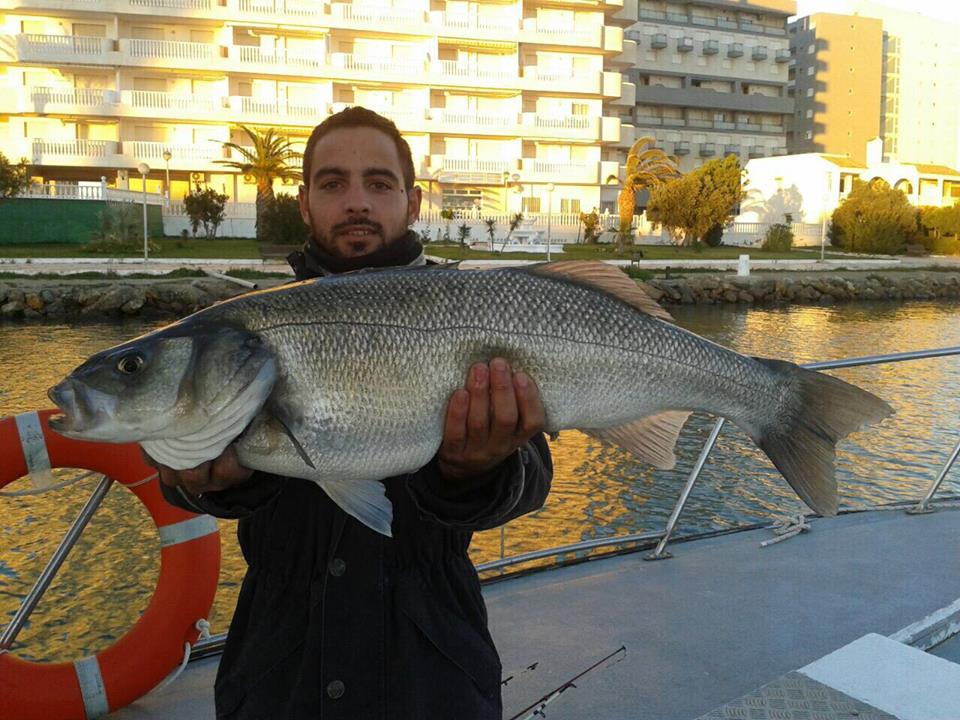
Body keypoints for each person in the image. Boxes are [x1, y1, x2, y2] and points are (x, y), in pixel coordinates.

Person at [152, 106, 553, 719]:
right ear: (304, 203)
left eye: (379, 183)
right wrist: (214, 483)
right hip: (279, 672)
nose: (357, 202)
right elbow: (183, 477)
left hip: (433, 669)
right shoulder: (248, 330)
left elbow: (533, 480)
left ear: (413, 203)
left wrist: (473, 470)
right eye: (333, 183)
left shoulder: (474, 309)